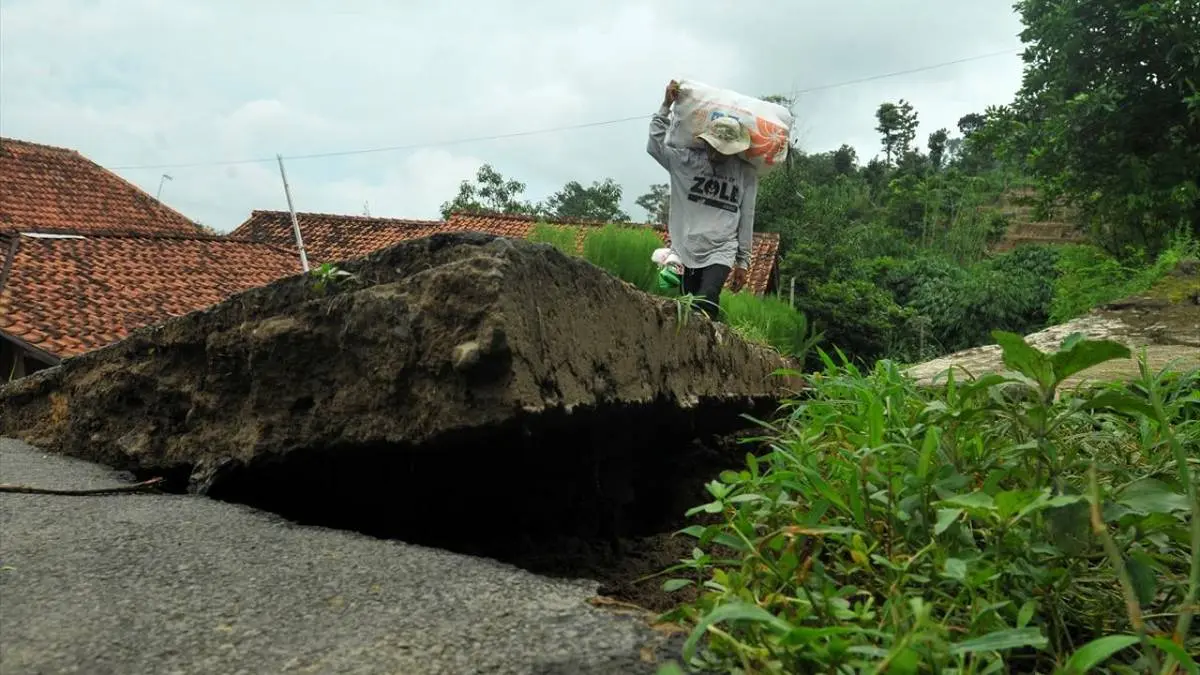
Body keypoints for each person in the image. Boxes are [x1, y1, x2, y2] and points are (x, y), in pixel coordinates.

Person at [646, 79, 757, 321]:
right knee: (688, 301)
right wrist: (665, 106)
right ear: (705, 141)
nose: (717, 153)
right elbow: (654, 147)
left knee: (707, 299)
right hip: (686, 245)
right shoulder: (685, 161)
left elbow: (747, 216)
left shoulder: (745, 173)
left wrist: (743, 262)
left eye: (724, 150)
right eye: (714, 147)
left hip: (722, 248)